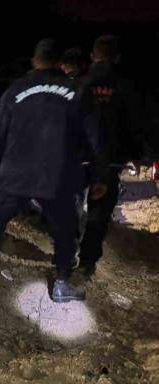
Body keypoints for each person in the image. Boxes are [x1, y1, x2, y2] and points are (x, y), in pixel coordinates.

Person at [0, 39, 106, 304]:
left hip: (14, 174)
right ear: (59, 62)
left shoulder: (17, 89)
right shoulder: (77, 92)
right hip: (57, 177)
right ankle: (60, 285)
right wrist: (98, 177)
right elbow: (94, 139)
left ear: (35, 61)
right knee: (65, 229)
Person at [77, 35, 143, 277]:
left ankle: (64, 254)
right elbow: (133, 124)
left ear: (93, 55)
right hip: (108, 161)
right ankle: (86, 263)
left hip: (78, 158)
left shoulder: (79, 83)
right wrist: (134, 155)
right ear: (116, 58)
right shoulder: (125, 87)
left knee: (70, 206)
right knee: (99, 215)